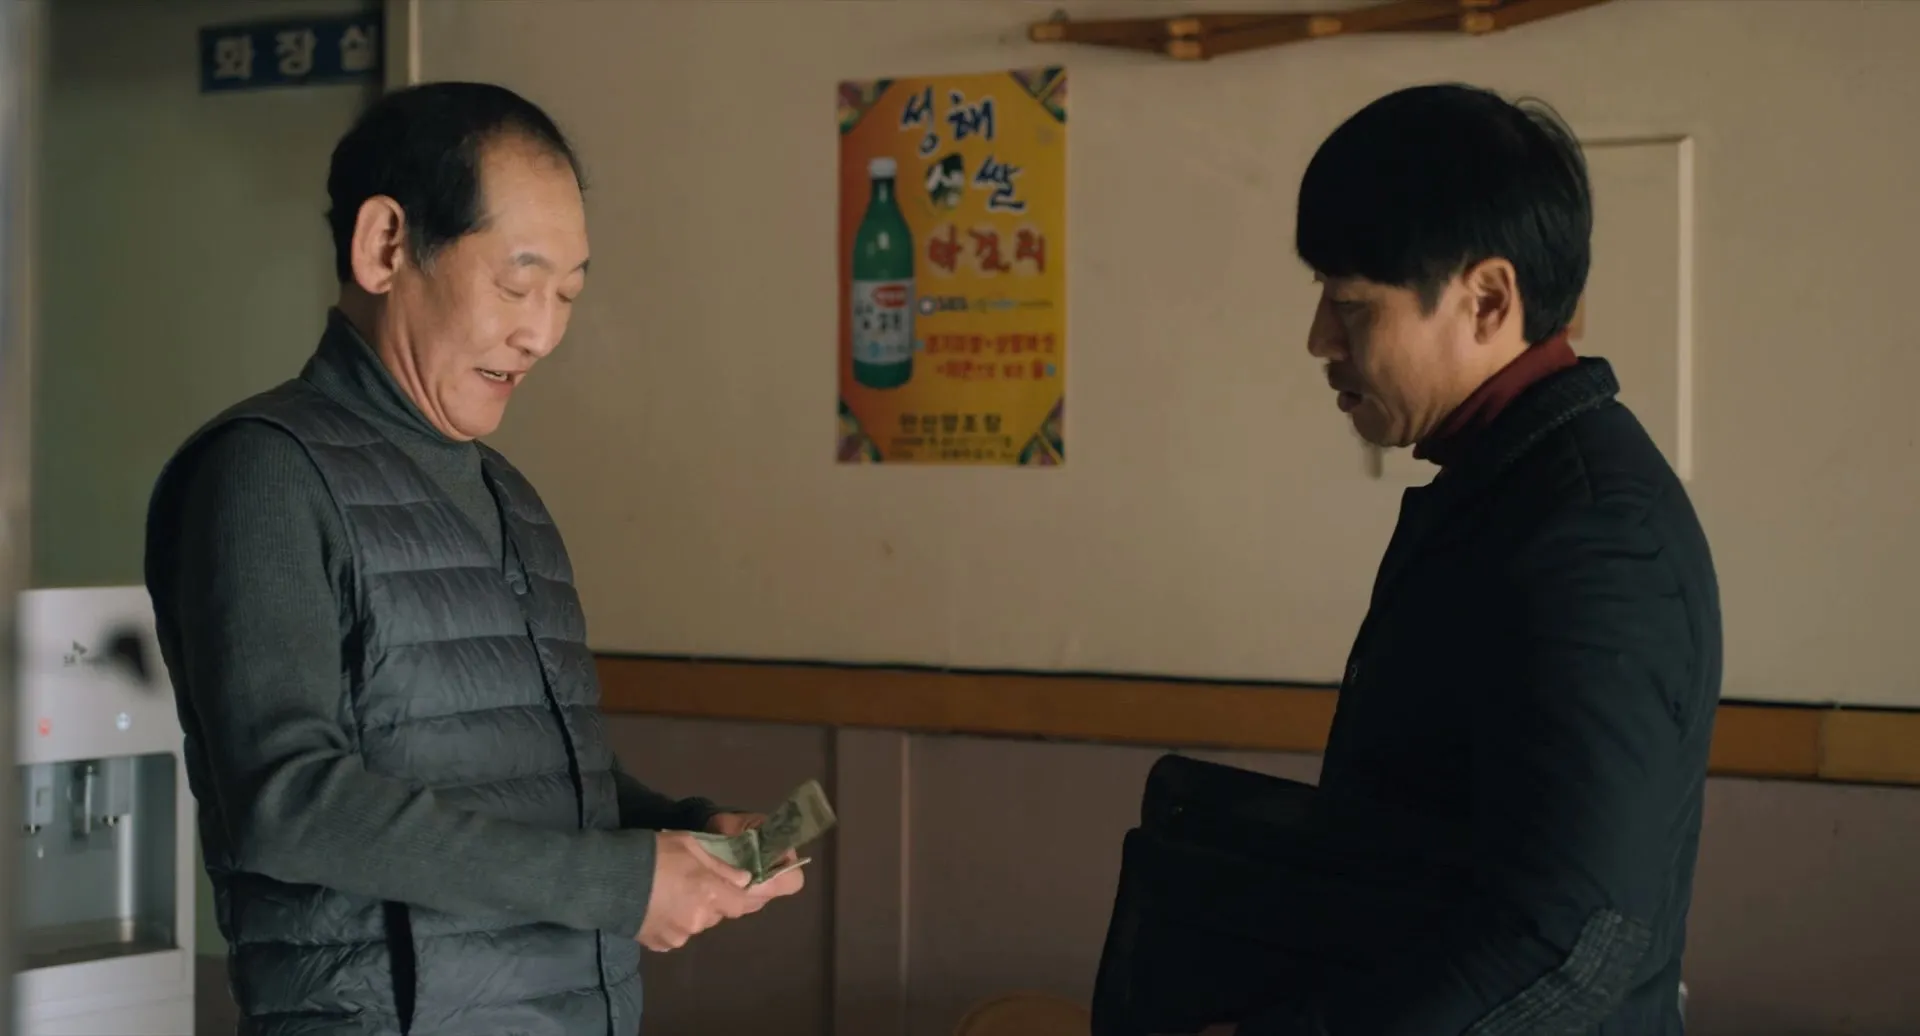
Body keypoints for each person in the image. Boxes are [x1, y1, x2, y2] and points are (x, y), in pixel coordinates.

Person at [143, 82, 803, 1036]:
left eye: (568, 294)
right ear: (385, 246)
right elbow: (286, 804)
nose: (542, 333)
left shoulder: (507, 494)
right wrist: (618, 882)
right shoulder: (266, 472)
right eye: (517, 284)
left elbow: (525, 779)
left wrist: (682, 835)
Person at [1108, 83, 1721, 1035]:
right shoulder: (1512, 490)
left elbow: (1570, 940)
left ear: (1487, 301)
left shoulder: (1595, 543)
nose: (1319, 339)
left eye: (1351, 305)